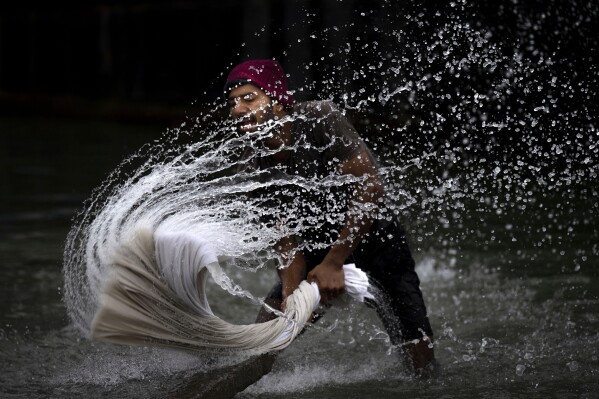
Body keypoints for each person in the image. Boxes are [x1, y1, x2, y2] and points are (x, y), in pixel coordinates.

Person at [224, 59, 435, 374]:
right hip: (314, 253)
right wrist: (291, 295)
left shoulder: (318, 118)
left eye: (249, 98)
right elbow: (285, 241)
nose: (237, 109)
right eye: (232, 103)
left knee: (420, 364)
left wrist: (335, 262)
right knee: (264, 341)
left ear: (278, 102)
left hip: (377, 241)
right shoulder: (252, 163)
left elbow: (370, 186)